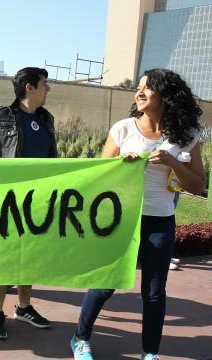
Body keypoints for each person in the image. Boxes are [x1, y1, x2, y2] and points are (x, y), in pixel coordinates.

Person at [70, 69, 205, 360]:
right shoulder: (123, 129)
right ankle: (80, 338)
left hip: (161, 221)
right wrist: (121, 165)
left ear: (165, 96)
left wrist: (173, 163)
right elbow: (99, 177)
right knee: (106, 283)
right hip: (121, 220)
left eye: (147, 88)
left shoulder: (188, 136)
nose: (139, 92)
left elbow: (198, 185)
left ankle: (150, 353)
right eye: (138, 87)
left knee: (154, 293)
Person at [0, 67, 55, 339]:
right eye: (44, 84)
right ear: (29, 87)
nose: (48, 89)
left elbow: (53, 159)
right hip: (6, 202)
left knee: (29, 257)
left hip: (37, 202)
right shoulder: (2, 115)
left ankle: (24, 307)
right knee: (4, 260)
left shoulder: (46, 119)